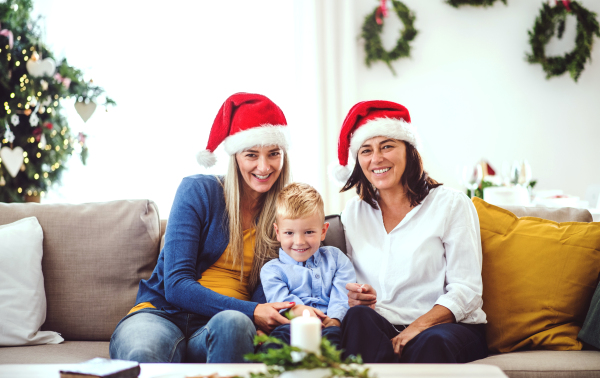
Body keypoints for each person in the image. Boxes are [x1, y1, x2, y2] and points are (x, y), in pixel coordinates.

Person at [110, 93, 295, 363]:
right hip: (160, 313)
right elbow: (176, 285)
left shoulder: (286, 214)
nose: (264, 166)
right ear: (235, 157)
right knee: (143, 352)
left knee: (233, 324)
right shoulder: (198, 191)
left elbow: (291, 276)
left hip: (223, 325)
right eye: (251, 155)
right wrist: (253, 310)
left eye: (273, 154)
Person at [330, 100, 488, 363]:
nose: (376, 159)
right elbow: (343, 280)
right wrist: (355, 296)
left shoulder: (451, 204)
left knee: (430, 343)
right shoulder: (353, 214)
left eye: (387, 146)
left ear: (409, 150)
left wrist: (418, 327)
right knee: (357, 319)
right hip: (383, 327)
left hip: (445, 327)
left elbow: (467, 290)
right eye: (366, 150)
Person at [259, 182, 356, 349]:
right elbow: (281, 301)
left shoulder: (336, 258)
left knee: (338, 340)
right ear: (278, 233)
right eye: (289, 233)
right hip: (291, 325)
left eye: (309, 232)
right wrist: (300, 312)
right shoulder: (272, 270)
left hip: (330, 325)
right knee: (278, 339)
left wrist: (334, 320)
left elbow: (342, 294)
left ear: (323, 231)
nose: (299, 242)